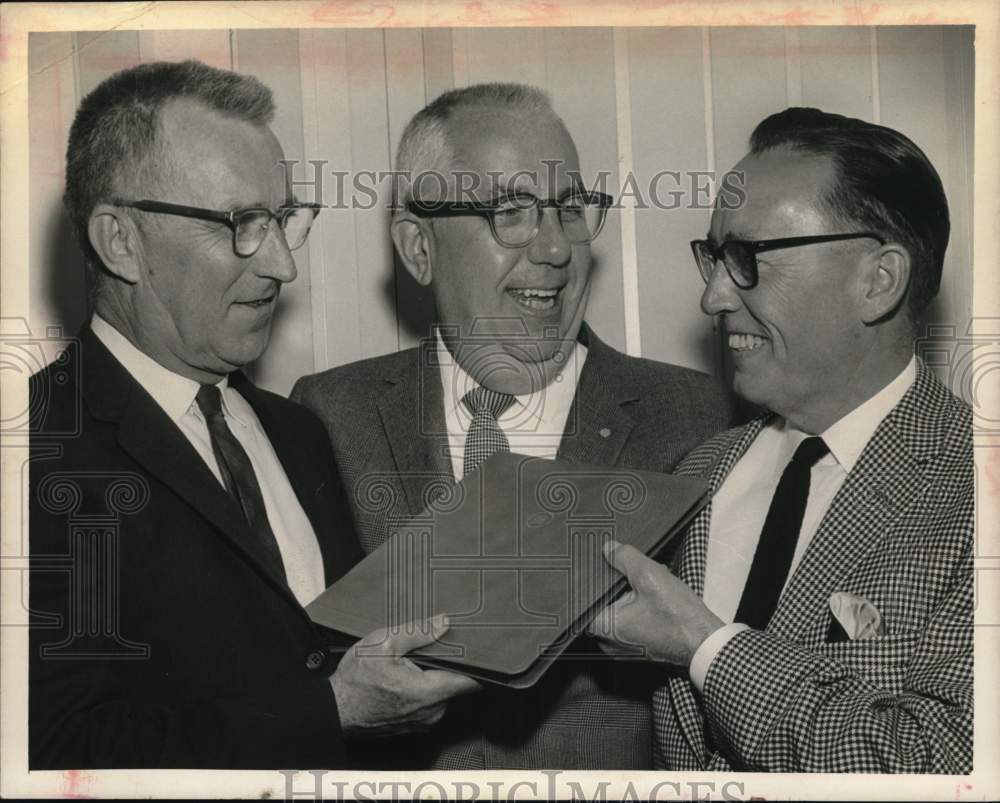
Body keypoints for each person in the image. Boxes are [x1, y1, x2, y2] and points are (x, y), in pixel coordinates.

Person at [28, 60, 477, 770]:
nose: (280, 266)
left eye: (281, 221)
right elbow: (52, 754)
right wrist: (334, 710)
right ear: (120, 241)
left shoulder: (298, 431)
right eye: (240, 223)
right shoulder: (34, 449)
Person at [292, 83, 733, 769]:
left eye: (570, 208)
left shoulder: (699, 419)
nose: (556, 248)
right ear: (418, 247)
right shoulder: (325, 413)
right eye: (513, 211)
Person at [590, 107, 972, 773]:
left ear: (877, 280)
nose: (712, 297)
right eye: (713, 257)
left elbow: (944, 760)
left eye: (747, 258)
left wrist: (706, 647)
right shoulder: (703, 469)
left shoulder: (975, 489)